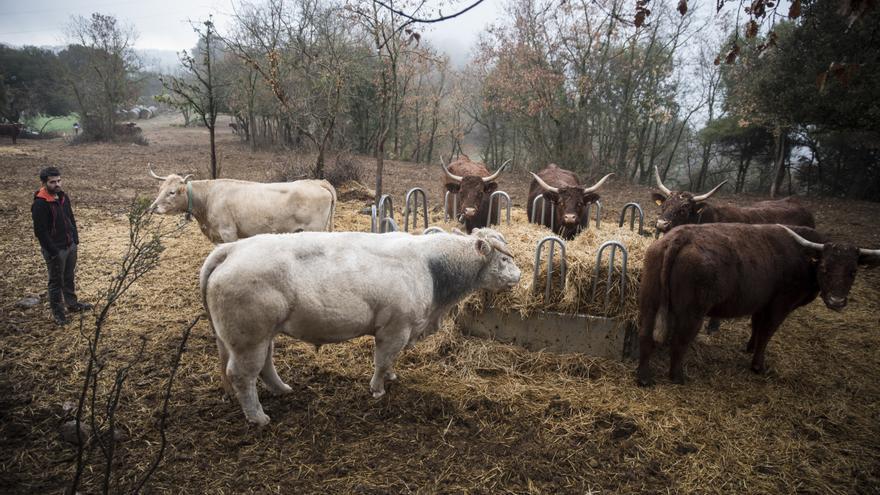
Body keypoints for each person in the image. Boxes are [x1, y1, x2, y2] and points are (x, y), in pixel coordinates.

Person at [31, 166, 91, 325]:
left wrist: (75, 239)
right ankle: (59, 314)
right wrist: (53, 251)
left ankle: (72, 304)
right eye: (52, 182)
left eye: (59, 180)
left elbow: (70, 218)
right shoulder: (40, 203)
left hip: (69, 245)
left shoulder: (63, 197)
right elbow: (40, 232)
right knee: (56, 282)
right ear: (44, 183)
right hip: (56, 250)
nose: (57, 184)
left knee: (69, 276)